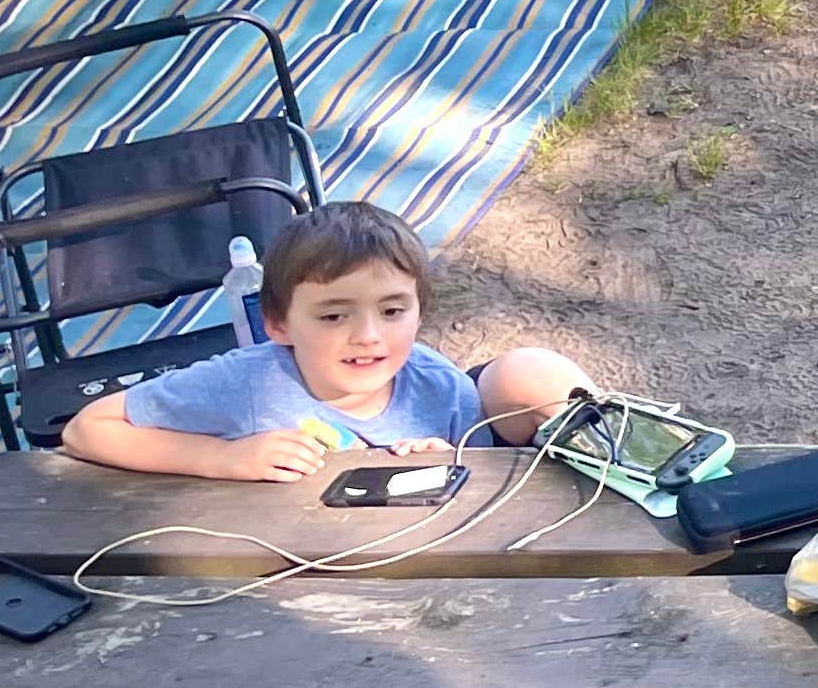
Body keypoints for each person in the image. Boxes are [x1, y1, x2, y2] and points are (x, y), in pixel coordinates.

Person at [58, 202, 595, 482]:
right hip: (294, 577)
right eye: (334, 315)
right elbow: (87, 430)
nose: (368, 336)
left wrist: (451, 467)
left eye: (392, 311)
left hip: (425, 572)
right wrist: (224, 458)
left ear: (419, 310)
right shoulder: (251, 381)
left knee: (534, 373)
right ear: (279, 324)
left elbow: (486, 503)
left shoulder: (438, 386)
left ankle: (636, 468)